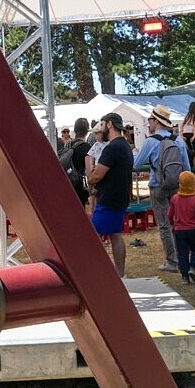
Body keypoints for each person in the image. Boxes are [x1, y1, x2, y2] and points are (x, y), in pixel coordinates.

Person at [133, 104, 190, 274]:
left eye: (150, 120)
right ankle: (182, 258)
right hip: (176, 185)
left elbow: (136, 165)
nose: (149, 123)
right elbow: (186, 166)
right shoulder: (178, 140)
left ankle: (172, 261)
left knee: (164, 224)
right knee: (178, 223)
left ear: (155, 121)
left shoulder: (150, 142)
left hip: (157, 185)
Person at [87, 112, 134, 278]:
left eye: (102, 125)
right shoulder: (125, 146)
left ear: (109, 125)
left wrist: (90, 176)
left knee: (90, 238)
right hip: (120, 199)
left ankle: (94, 275)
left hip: (109, 200)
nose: (100, 129)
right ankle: (120, 274)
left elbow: (97, 175)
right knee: (115, 236)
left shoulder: (112, 148)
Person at [167, 171, 195, 285]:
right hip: (193, 229)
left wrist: (173, 225)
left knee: (182, 252)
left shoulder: (175, 198)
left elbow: (169, 215)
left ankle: (184, 276)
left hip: (179, 230)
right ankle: (193, 267)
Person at [64, 117, 91, 207]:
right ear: (87, 131)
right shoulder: (86, 147)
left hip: (67, 182)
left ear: (75, 130)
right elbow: (88, 170)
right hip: (78, 183)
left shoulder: (68, 144)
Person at [84, 122, 108, 212]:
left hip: (103, 167)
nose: (95, 136)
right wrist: (91, 165)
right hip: (97, 167)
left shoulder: (107, 144)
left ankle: (96, 207)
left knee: (98, 189)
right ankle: (93, 207)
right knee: (95, 189)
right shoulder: (96, 144)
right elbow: (91, 155)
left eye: (96, 133)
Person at [181, 101, 195, 167]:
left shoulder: (187, 116)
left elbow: (182, 125)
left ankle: (188, 164)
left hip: (184, 134)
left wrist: (181, 134)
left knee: (188, 149)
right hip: (191, 133)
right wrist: (194, 135)